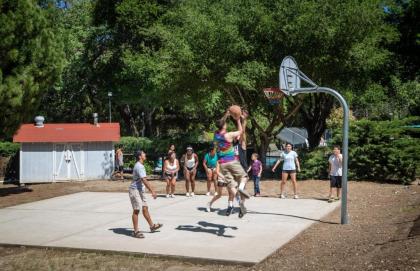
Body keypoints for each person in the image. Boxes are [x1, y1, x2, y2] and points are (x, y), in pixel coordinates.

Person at [213, 110, 251, 218]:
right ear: (224, 126)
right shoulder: (228, 135)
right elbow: (240, 131)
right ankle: (241, 190)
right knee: (244, 177)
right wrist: (238, 119)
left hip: (223, 165)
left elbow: (221, 123)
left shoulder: (216, 135)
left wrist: (227, 114)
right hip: (232, 162)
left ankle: (239, 204)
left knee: (232, 187)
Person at [129, 150, 162, 238]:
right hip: (134, 190)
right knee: (136, 210)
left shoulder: (140, 165)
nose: (145, 154)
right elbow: (144, 180)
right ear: (140, 156)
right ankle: (136, 231)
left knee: (145, 208)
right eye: (143, 153)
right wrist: (153, 191)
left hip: (140, 190)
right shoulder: (139, 166)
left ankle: (152, 226)